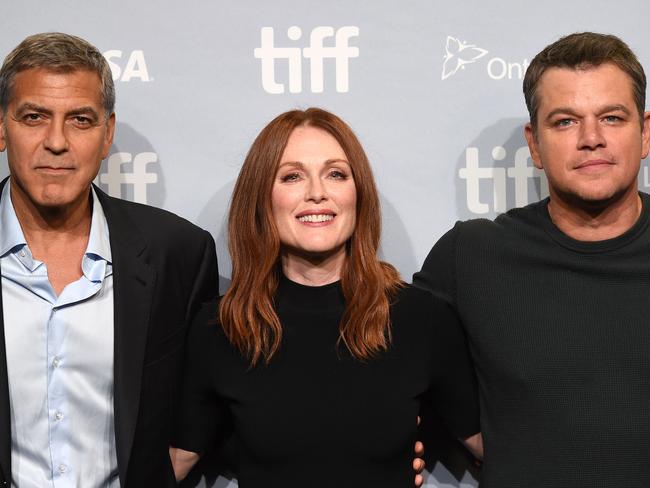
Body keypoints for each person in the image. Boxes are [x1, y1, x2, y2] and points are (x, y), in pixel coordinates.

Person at [170, 108, 481, 487]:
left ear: (358, 193)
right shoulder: (220, 329)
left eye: (336, 174)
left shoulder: (422, 320)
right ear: (262, 199)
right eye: (292, 176)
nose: (317, 192)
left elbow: (504, 447)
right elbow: (175, 461)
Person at [414, 32, 650, 487]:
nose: (592, 139)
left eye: (612, 117)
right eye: (565, 122)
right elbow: (384, 369)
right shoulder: (471, 256)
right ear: (534, 144)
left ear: (644, 134)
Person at [0, 33, 218, 486]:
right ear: (2, 128)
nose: (56, 141)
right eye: (34, 117)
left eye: (80, 120)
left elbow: (199, 412)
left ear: (107, 134)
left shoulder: (177, 252)